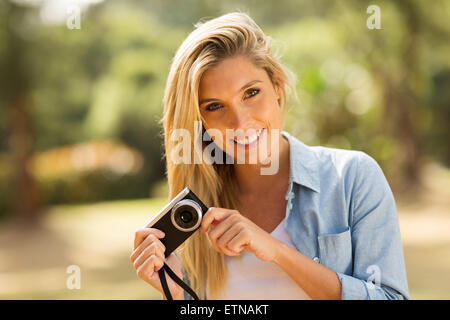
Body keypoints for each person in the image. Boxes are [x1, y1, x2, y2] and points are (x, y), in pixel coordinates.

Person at [130, 12, 410, 300]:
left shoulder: (352, 178)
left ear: (277, 86)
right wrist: (178, 295)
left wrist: (276, 250)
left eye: (251, 93)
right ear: (200, 123)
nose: (240, 122)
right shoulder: (192, 216)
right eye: (215, 106)